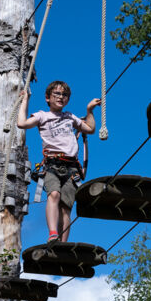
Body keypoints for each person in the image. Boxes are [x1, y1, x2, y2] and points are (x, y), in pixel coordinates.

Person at [17, 81, 101, 242]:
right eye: (57, 94)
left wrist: (89, 111)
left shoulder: (69, 117)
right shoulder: (42, 115)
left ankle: (63, 244)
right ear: (48, 98)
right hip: (52, 164)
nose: (61, 97)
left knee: (66, 207)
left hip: (71, 168)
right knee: (54, 194)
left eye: (64, 95)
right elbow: (22, 124)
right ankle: (53, 233)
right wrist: (25, 101)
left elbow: (90, 129)